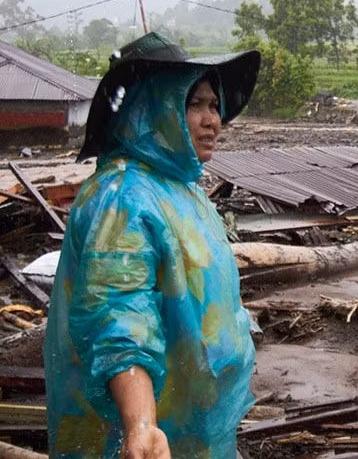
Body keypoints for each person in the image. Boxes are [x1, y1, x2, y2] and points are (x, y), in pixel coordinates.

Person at [44, 32, 261, 458]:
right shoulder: (123, 197)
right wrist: (140, 424)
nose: (212, 120)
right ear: (152, 110)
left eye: (214, 105)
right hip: (140, 440)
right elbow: (118, 316)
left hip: (191, 430)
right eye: (193, 104)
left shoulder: (182, 189)